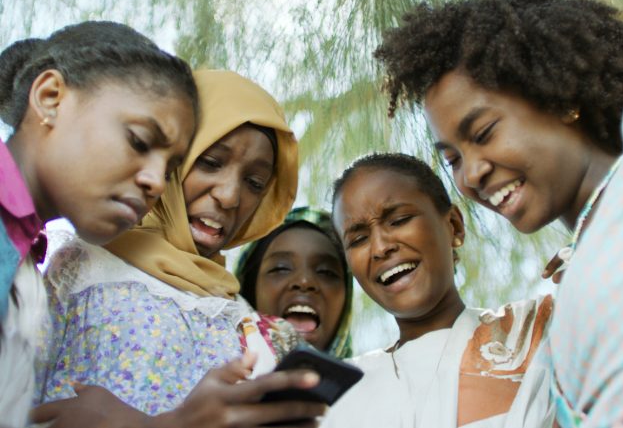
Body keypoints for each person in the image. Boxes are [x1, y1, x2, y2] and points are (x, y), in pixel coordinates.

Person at [373, 0, 623, 427]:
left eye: (483, 133)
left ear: (560, 100)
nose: (472, 172)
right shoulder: (570, 296)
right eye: (453, 159)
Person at [35, 69, 325, 426]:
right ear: (169, 159)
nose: (230, 196)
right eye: (210, 162)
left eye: (254, 182)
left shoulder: (248, 324)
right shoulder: (83, 268)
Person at [0, 21, 199, 428]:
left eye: (169, 169)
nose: (156, 183)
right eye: (139, 141)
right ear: (50, 98)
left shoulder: (25, 261)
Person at [322, 152, 554, 428]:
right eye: (359, 239)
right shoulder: (340, 392)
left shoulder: (540, 330)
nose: (381, 247)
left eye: (399, 220)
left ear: (453, 225)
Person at [237, 206, 353, 358]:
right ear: (250, 291)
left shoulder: (375, 372)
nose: (304, 281)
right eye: (281, 268)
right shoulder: (211, 371)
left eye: (325, 272)